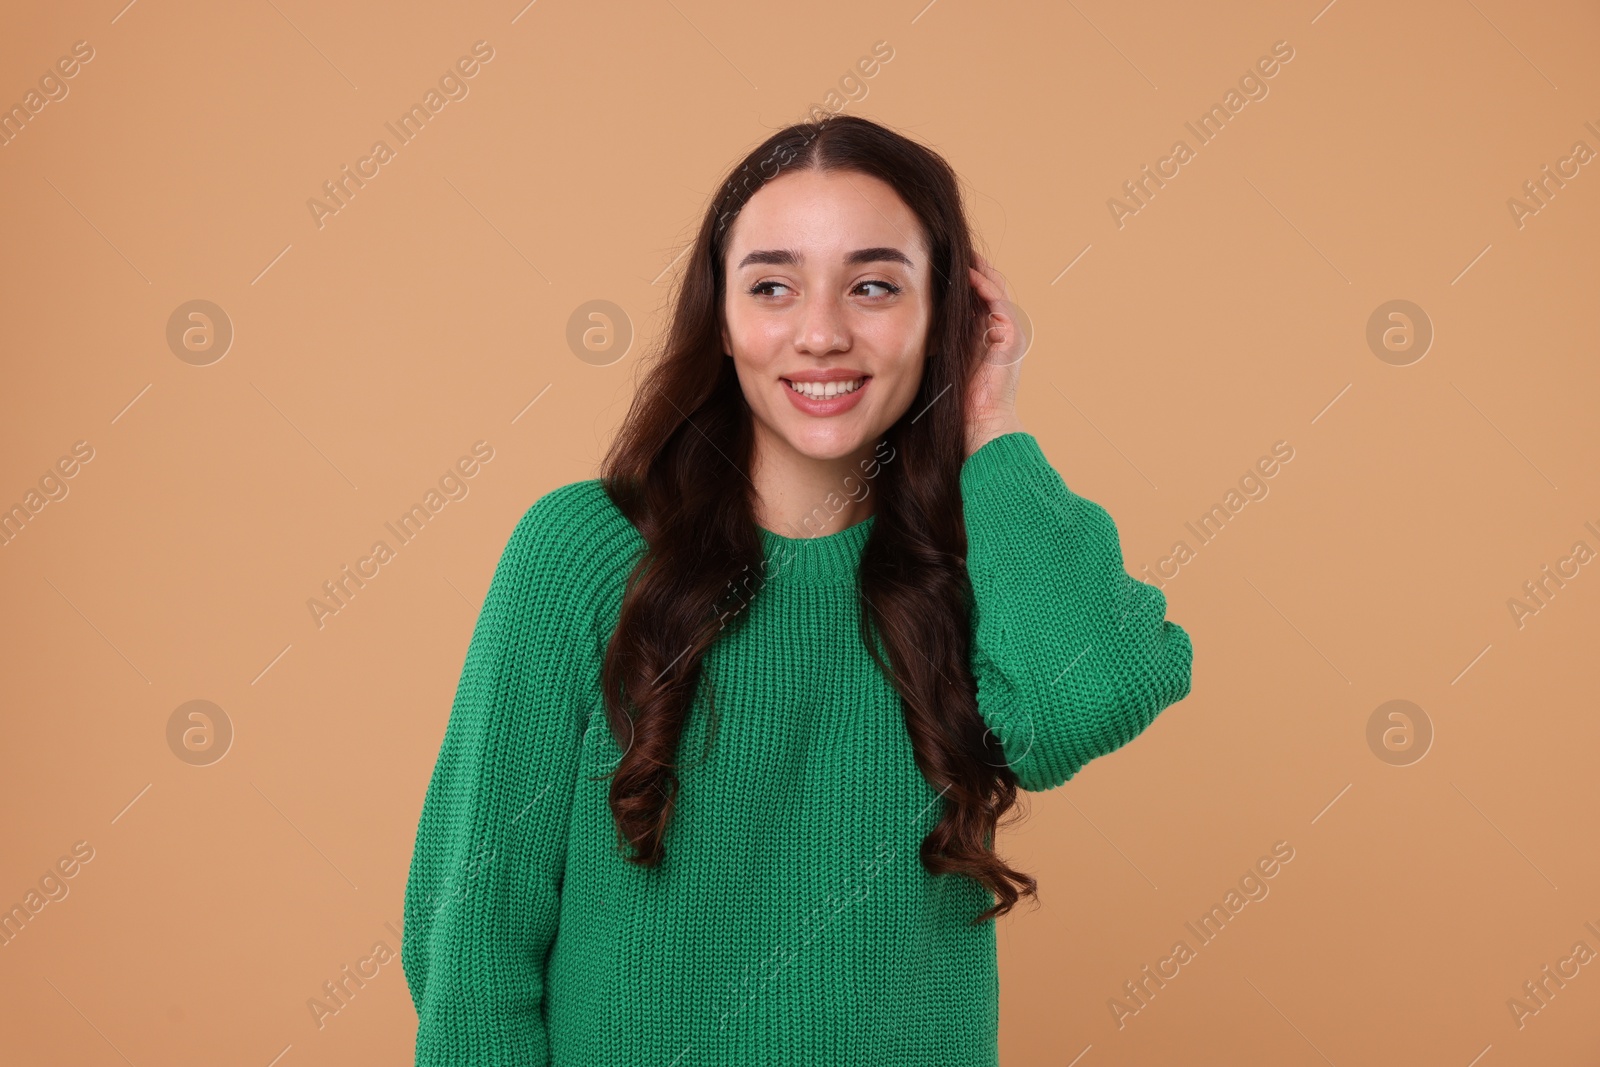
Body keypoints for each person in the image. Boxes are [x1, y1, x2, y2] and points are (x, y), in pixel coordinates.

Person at [401, 113, 1193, 1066]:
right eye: (772, 286)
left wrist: (993, 416)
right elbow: (472, 935)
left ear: (947, 314)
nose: (821, 333)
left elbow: (1087, 696)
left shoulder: (980, 561)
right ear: (723, 323)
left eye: (873, 286)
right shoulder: (584, 550)